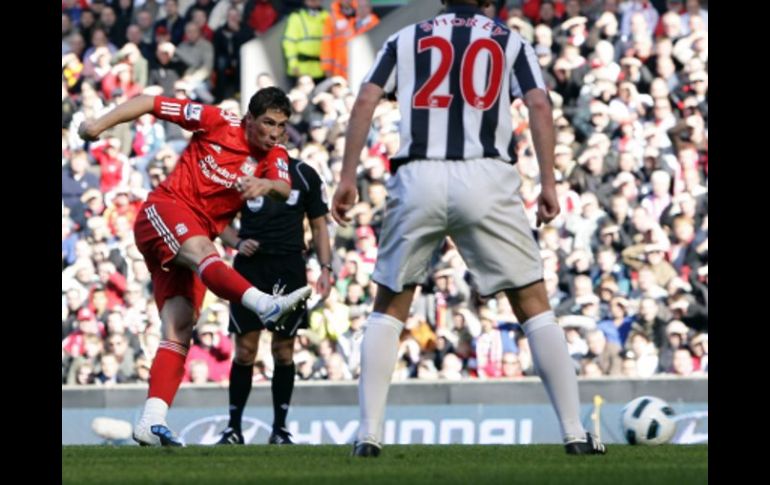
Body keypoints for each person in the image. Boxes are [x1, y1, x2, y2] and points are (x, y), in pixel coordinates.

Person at [331, 0, 606, 457]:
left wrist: (346, 177)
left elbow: (365, 99)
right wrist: (548, 183)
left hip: (419, 174)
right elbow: (539, 103)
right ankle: (575, 433)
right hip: (485, 174)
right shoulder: (508, 40)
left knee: (390, 306)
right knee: (533, 304)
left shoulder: (404, 39)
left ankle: (368, 435)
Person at [79, 87, 312, 447]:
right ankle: (265, 304)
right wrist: (98, 125)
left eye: (282, 126)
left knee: (180, 327)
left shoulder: (275, 153)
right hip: (164, 210)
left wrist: (264, 184)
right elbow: (150, 102)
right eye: (268, 123)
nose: (275, 133)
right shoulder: (216, 120)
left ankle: (151, 421)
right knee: (205, 250)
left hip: (195, 239)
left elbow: (282, 187)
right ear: (249, 119)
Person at [216, 153, 333, 445]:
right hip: (250, 269)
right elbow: (217, 220)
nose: (274, 135)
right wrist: (237, 242)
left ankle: (280, 428)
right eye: (268, 129)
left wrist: (326, 268)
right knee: (245, 350)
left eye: (279, 130)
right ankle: (233, 428)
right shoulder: (241, 170)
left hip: (289, 266)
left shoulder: (304, 173)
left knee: (283, 350)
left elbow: (319, 225)